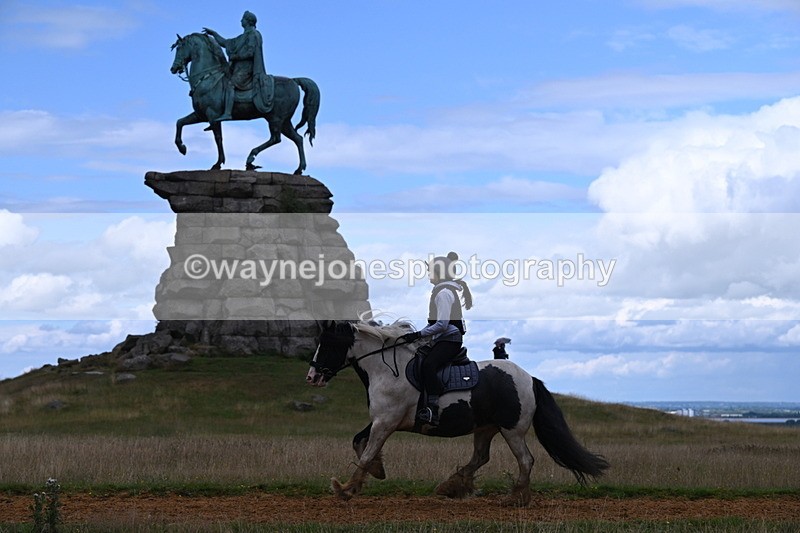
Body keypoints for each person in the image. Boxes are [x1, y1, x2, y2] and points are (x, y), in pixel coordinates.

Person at [400, 252, 473, 426]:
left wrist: (418, 335)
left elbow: (442, 325)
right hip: (443, 338)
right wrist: (416, 337)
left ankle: (432, 408)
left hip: (450, 340)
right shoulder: (442, 291)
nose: (428, 275)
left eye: (431, 271)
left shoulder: (444, 293)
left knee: (428, 365)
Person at [202, 10, 273, 126]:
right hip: (238, 68)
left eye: (243, 19)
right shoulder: (242, 36)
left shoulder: (254, 35)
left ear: (248, 21)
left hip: (247, 69)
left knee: (230, 84)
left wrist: (235, 56)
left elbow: (250, 53)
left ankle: (228, 113)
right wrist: (214, 34)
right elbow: (225, 43)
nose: (241, 20)